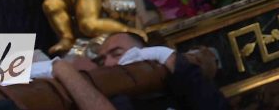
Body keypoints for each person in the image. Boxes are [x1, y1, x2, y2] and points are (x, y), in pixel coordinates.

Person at [96, 32, 229, 110]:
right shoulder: (117, 104)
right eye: (101, 62)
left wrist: (172, 61)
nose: (108, 64)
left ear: (145, 53)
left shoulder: (181, 85)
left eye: (117, 54)